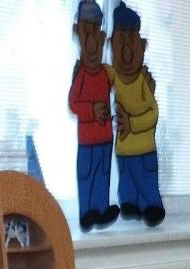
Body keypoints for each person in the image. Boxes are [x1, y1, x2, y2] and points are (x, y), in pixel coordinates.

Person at [108, 2, 164, 226]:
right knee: (127, 183)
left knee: (147, 182)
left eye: (131, 41)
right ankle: (130, 204)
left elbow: (153, 113)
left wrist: (131, 123)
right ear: (111, 45)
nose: (126, 51)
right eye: (121, 41)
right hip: (123, 150)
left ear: (142, 46)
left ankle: (153, 206)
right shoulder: (114, 79)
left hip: (144, 150)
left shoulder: (142, 82)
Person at [68, 0, 120, 231]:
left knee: (103, 175)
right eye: (86, 32)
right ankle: (87, 212)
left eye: (95, 33)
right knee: (87, 175)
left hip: (105, 138)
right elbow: (73, 104)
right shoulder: (81, 74)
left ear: (101, 38)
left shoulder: (106, 73)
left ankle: (100, 210)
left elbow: (121, 89)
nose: (92, 42)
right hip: (87, 141)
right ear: (78, 34)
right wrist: (92, 111)